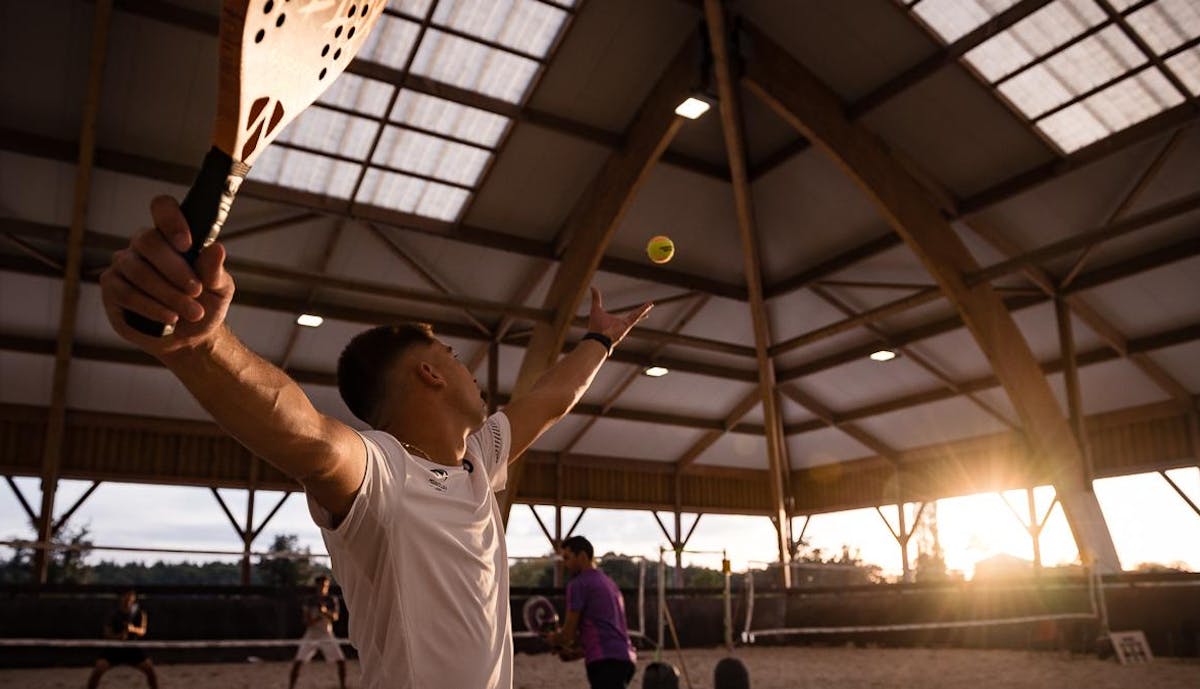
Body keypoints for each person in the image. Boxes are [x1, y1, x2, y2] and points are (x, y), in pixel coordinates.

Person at [99, 196, 652, 689]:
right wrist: (197, 342)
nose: (470, 372)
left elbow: (551, 399)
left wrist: (601, 339)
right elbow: (306, 432)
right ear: (431, 375)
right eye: (455, 359)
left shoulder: (479, 461)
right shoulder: (383, 470)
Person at [546, 536, 638, 689]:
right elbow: (607, 630)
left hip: (605, 663)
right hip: (626, 659)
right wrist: (577, 652)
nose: (565, 564)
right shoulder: (609, 583)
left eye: (567, 558)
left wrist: (554, 639)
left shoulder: (578, 584)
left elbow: (567, 634)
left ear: (582, 556)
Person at [87, 590, 158, 689]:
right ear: (121, 597)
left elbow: (142, 631)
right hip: (114, 648)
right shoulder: (113, 613)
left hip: (132, 648)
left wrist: (132, 629)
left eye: (130, 596)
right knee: (98, 670)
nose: (128, 598)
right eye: (125, 595)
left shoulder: (140, 613)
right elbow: (107, 633)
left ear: (134, 598)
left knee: (150, 671)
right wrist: (118, 637)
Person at [289, 575, 346, 689]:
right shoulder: (309, 601)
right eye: (321, 585)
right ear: (317, 586)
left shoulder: (331, 600)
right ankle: (291, 686)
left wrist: (324, 612)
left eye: (325, 586)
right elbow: (307, 621)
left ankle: (343, 686)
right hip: (312, 634)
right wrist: (318, 617)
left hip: (327, 633)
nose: (323, 588)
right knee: (298, 661)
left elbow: (335, 617)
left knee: (341, 661)